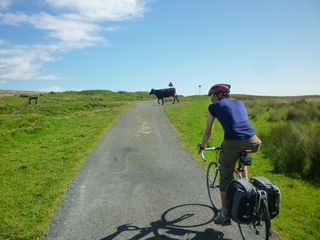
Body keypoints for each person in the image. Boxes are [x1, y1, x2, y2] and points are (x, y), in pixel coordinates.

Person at [198, 83, 261, 226]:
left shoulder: (214, 107)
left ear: (219, 94)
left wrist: (202, 146)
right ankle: (248, 188)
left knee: (225, 177)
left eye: (212, 95)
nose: (211, 99)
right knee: (242, 159)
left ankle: (225, 214)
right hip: (254, 142)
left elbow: (208, 131)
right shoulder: (240, 102)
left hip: (232, 142)